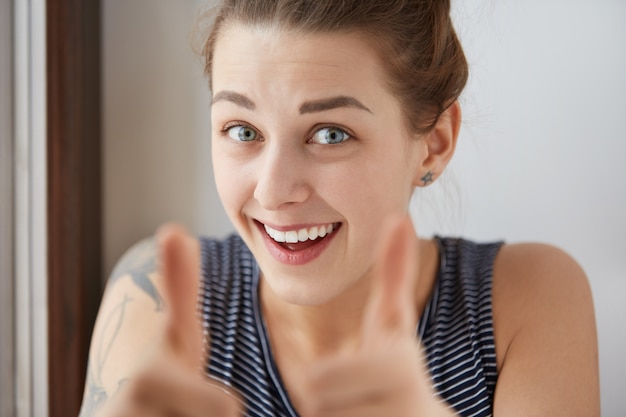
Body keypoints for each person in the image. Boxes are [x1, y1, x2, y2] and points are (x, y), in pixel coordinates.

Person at [79, 0, 600, 416]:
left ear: (434, 142)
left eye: (330, 134)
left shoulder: (524, 301)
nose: (273, 190)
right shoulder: (160, 296)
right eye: (243, 131)